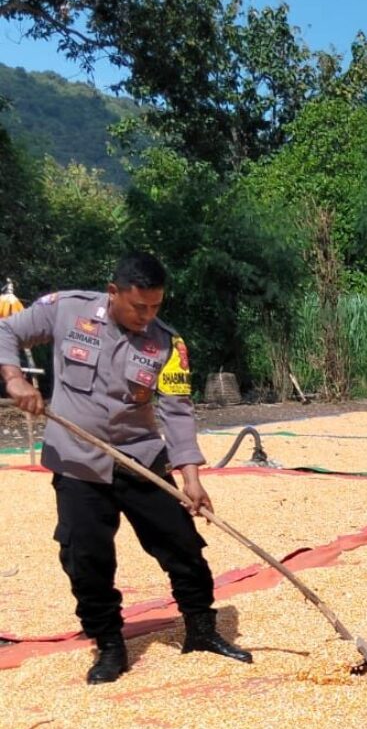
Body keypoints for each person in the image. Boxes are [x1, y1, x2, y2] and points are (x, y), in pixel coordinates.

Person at [0, 252, 253, 682]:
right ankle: (109, 645)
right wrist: (14, 378)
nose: (147, 316)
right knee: (85, 557)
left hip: (140, 459)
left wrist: (191, 478)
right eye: (139, 306)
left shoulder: (168, 344)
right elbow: (7, 329)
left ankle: (201, 630)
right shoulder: (66, 309)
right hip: (77, 461)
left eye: (156, 306)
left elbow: (176, 410)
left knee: (182, 544)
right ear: (113, 292)